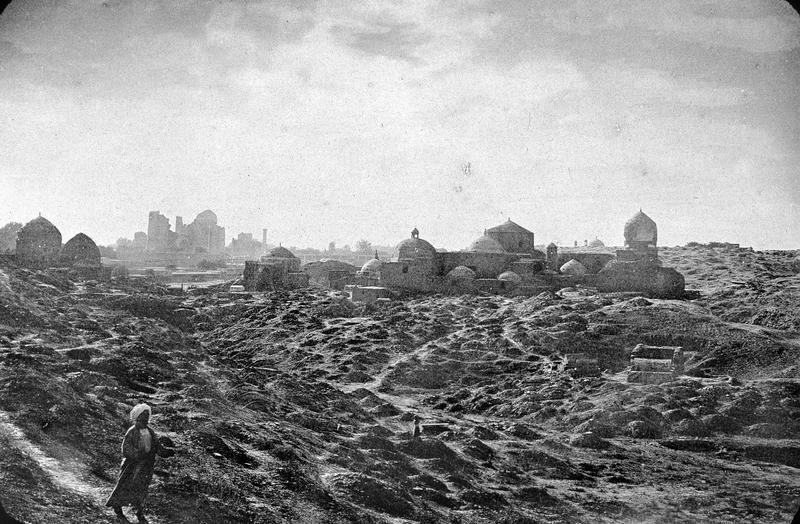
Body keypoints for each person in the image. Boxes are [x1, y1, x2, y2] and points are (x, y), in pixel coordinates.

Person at [106, 403, 171, 523]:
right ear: (137, 416)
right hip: (132, 466)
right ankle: (117, 506)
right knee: (125, 485)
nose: (146, 417)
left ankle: (139, 511)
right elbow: (126, 449)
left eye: (147, 415)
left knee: (142, 488)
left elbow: (157, 447)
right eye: (143, 415)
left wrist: (167, 452)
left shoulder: (150, 431)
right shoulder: (132, 431)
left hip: (146, 466)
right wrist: (138, 455)